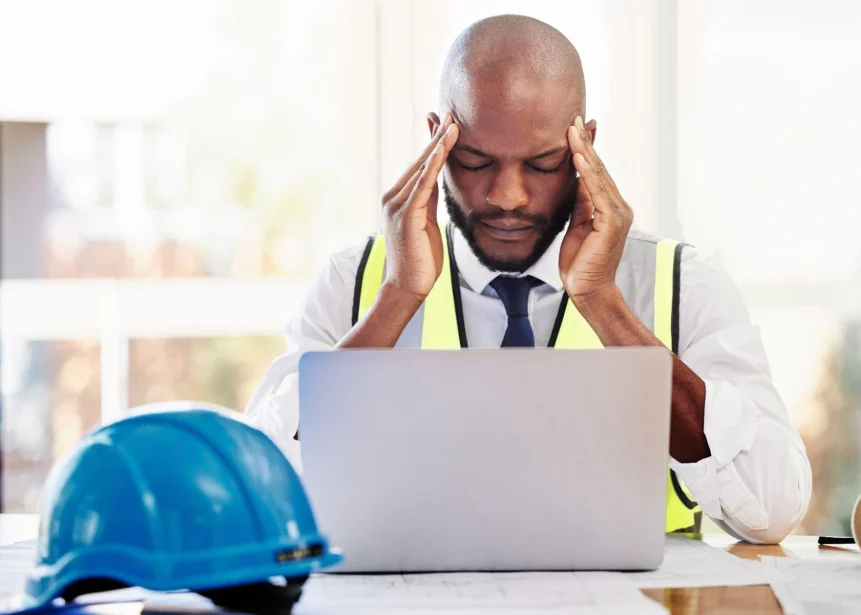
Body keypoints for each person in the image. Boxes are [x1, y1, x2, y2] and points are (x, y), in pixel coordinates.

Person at [247, 15, 811, 544]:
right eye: (473, 161)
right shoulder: (357, 282)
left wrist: (605, 304)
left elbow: (773, 509)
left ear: (583, 144)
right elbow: (255, 491)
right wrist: (397, 299)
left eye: (542, 164)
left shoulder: (682, 283)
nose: (507, 198)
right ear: (434, 139)